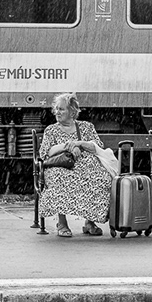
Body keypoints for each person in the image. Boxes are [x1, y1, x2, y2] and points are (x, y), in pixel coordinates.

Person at [37, 92, 112, 238]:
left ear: (72, 112)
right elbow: (46, 152)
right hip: (61, 164)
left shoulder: (86, 127)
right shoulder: (51, 130)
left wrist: (79, 144)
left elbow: (97, 146)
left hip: (84, 165)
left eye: (61, 109)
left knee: (100, 177)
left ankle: (90, 222)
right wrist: (68, 146)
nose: (57, 112)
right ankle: (62, 223)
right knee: (59, 177)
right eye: (56, 109)